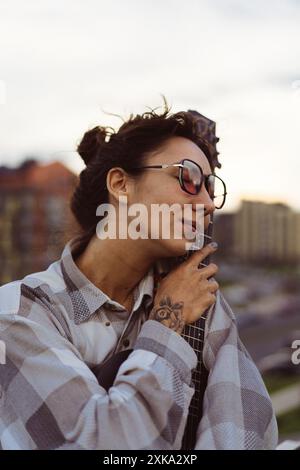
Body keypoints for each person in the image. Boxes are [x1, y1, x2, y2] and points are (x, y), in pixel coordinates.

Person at [0, 99, 278, 450]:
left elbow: (246, 433)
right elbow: (104, 445)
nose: (208, 204)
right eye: (189, 177)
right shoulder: (17, 314)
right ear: (120, 184)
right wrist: (166, 323)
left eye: (212, 187)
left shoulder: (200, 297)